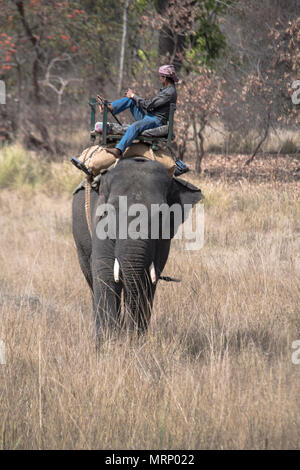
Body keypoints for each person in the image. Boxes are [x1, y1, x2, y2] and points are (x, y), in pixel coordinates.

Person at [97, 64, 178, 158]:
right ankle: (108, 108)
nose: (160, 79)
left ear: (164, 77)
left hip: (156, 121)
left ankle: (118, 150)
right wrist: (133, 97)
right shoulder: (167, 90)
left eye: (161, 77)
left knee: (135, 126)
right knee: (130, 100)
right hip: (150, 118)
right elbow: (150, 105)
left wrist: (133, 95)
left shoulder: (169, 92)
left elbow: (148, 105)